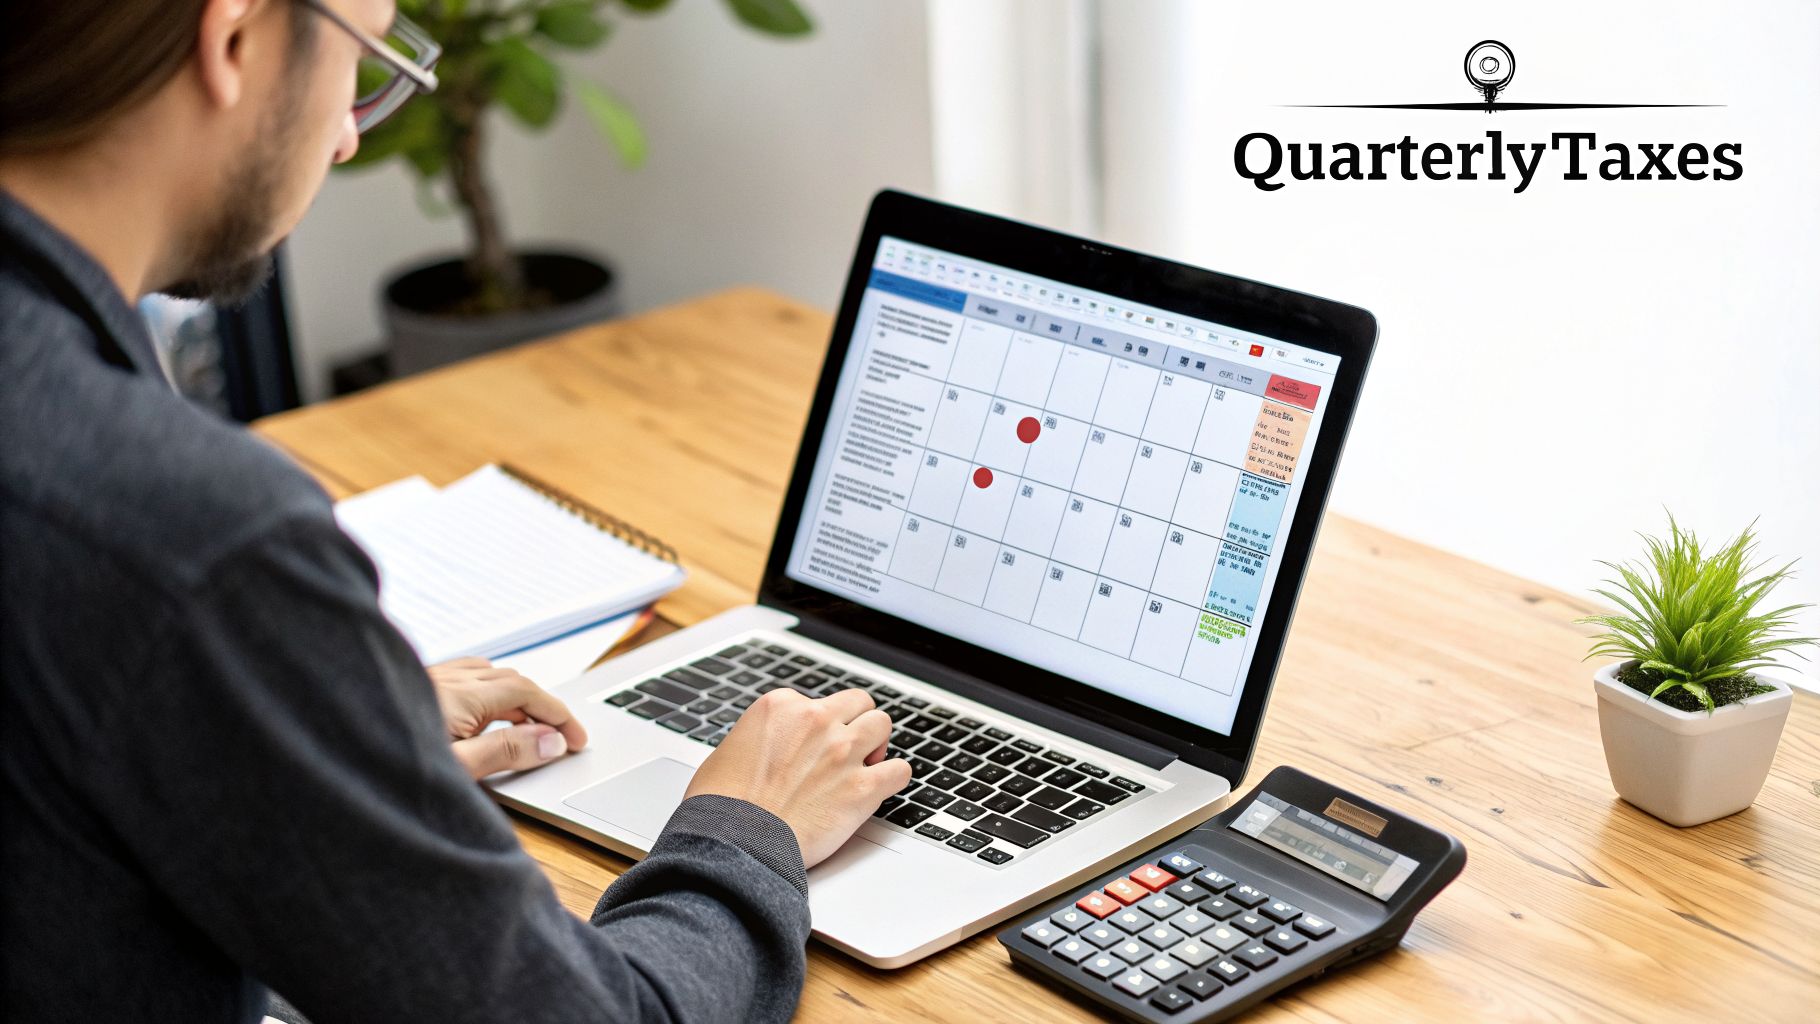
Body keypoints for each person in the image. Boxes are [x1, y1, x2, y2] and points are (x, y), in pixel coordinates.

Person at [0, 1, 910, 1021]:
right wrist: (745, 827)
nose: (347, 131)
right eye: (360, 57)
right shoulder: (192, 539)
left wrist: (314, 721)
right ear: (236, 39)